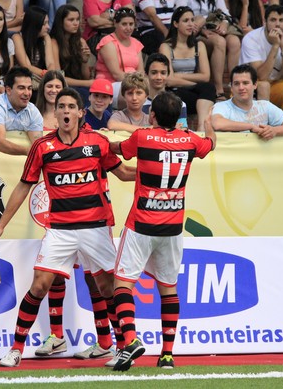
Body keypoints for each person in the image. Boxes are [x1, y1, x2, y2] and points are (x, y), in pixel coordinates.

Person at [0, 87, 134, 368]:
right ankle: (16, 349)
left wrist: (160, 172)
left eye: (71, 106)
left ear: (81, 112)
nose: (66, 111)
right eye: (61, 106)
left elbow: (124, 173)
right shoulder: (42, 147)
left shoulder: (97, 142)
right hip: (61, 230)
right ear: (54, 113)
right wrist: (0, 226)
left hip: (96, 227)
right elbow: (23, 186)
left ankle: (122, 347)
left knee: (107, 288)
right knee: (39, 285)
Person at [110, 90, 215, 371]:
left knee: (122, 284)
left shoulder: (142, 137)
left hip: (141, 224)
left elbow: (120, 150)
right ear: (178, 117)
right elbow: (210, 145)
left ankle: (130, 340)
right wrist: (209, 128)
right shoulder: (191, 140)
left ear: (152, 115)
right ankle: (167, 355)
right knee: (168, 289)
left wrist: (102, 144)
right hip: (172, 227)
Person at [176, 0, 240, 100]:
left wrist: (224, 22)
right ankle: (218, 89)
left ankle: (235, 84)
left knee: (234, 41)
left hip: (212, 30)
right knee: (219, 41)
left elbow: (225, 13)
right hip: (194, 33)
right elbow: (181, 15)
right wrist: (202, 23)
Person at [159, 6, 215, 130]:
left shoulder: (199, 45)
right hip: (175, 92)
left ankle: (201, 127)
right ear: (175, 24)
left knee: (209, 88)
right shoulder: (166, 47)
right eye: (185, 21)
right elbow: (169, 80)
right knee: (204, 90)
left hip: (193, 92)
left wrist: (179, 76)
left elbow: (206, 76)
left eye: (192, 20)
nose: (191, 24)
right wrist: (194, 84)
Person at [212, 64, 283, 139]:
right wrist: (251, 126)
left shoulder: (264, 106)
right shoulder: (222, 106)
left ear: (255, 85)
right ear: (231, 87)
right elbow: (217, 123)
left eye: (245, 83)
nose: (241, 88)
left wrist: (275, 131)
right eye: (236, 84)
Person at [240, 4, 283, 113]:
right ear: (265, 22)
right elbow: (261, 76)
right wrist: (275, 46)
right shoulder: (251, 38)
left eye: (281, 20)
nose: (277, 24)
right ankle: (263, 127)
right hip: (249, 85)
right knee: (264, 85)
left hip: (275, 85)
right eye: (273, 20)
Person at [0, 66, 43, 155]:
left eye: (29, 88)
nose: (27, 93)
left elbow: (37, 144)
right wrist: (29, 151)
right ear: (8, 90)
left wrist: (36, 151)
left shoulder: (33, 111)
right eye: (21, 88)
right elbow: (0, 143)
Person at [95, 7, 144, 108]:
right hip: (110, 84)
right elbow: (116, 74)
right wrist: (136, 84)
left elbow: (141, 72)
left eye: (131, 24)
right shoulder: (107, 42)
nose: (128, 28)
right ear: (115, 23)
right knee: (136, 96)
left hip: (134, 84)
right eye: (124, 24)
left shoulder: (136, 43)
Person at [50, 4, 92, 98]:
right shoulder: (53, 42)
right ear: (61, 22)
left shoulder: (81, 41)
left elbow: (86, 76)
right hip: (62, 86)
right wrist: (87, 83)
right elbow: (58, 77)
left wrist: (84, 61)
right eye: (71, 20)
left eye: (77, 19)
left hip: (80, 85)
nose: (76, 23)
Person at [12, 5, 56, 93]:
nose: (48, 27)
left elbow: (50, 62)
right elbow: (25, 65)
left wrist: (50, 75)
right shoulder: (17, 37)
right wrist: (46, 74)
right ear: (34, 24)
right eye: (44, 24)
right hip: (24, 78)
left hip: (41, 78)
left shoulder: (46, 37)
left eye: (47, 23)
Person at [142, 52, 188, 129]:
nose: (159, 77)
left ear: (168, 74)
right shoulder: (137, 103)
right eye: (154, 73)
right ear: (146, 74)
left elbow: (183, 131)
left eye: (163, 73)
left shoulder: (179, 104)